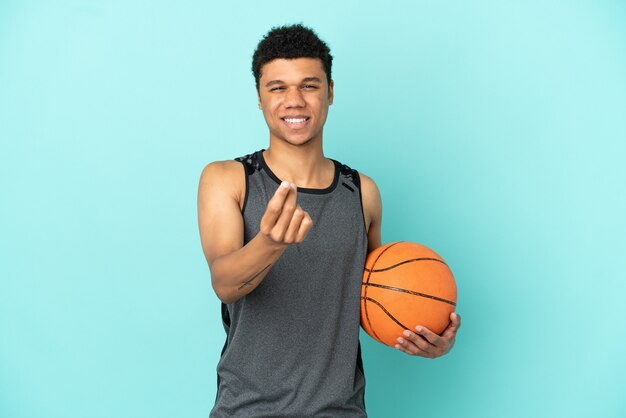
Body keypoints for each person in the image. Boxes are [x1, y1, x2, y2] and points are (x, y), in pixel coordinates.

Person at [197, 24, 461, 417]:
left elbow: (373, 295)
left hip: (340, 410)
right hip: (247, 409)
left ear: (330, 92)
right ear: (259, 97)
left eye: (309, 85)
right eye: (277, 87)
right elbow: (225, 283)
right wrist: (271, 243)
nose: (294, 101)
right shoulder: (228, 180)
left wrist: (428, 327)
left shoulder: (362, 193)